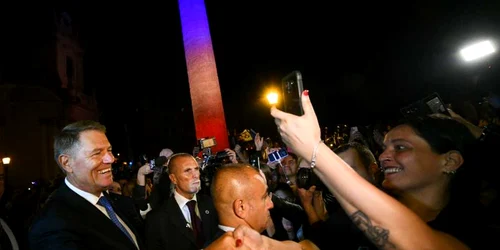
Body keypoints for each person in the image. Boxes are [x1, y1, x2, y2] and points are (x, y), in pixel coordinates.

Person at [271, 90, 487, 249]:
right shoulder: (352, 216)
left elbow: (415, 242)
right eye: (384, 148)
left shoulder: (475, 227)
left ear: (450, 161)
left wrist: (314, 149)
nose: (384, 156)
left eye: (401, 148)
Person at [29, 120, 143, 250]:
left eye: (109, 150)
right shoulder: (53, 225)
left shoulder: (113, 201)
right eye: (96, 153)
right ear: (67, 163)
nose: (110, 159)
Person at [145, 153, 219, 250]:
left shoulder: (212, 204)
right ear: (173, 179)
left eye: (196, 169)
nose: (195, 175)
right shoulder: (157, 218)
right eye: (187, 171)